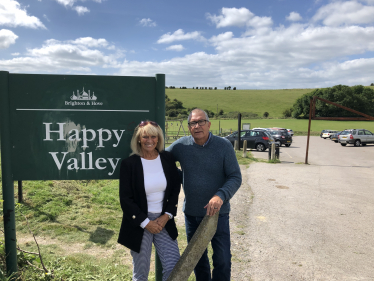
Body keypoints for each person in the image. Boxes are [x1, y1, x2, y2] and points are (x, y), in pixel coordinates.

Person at [166, 108, 242, 281]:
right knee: (198, 259)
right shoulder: (181, 146)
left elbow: (235, 177)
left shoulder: (223, 146)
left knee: (222, 259)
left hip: (218, 214)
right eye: (193, 123)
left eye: (201, 122)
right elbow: (161, 160)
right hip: (192, 213)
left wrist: (220, 195)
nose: (197, 126)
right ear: (188, 126)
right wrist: (179, 176)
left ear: (209, 124)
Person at [118, 120, 181, 281]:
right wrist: (146, 222)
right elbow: (126, 199)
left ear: (158, 139)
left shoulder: (167, 159)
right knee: (141, 272)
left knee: (174, 266)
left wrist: (167, 214)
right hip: (140, 222)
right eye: (145, 136)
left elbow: (174, 189)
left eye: (154, 136)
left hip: (163, 220)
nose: (150, 140)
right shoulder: (129, 164)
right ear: (139, 139)